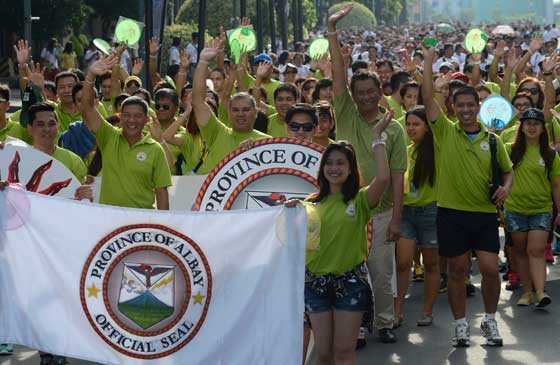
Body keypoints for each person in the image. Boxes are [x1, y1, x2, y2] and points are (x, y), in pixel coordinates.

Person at [423, 44, 513, 348]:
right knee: (458, 271)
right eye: (459, 105)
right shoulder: (445, 132)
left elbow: (507, 170)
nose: (465, 110)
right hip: (451, 213)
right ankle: (461, 325)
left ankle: (489, 321)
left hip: (484, 214)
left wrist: (506, 187)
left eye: (470, 105)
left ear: (479, 107)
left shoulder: (492, 139)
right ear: (452, 107)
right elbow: (427, 100)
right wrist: (427, 65)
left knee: (489, 269)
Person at [328, 4, 407, 344]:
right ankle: (358, 324)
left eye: (370, 92)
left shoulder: (396, 129)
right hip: (346, 207)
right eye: (359, 93)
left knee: (380, 270)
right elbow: (336, 75)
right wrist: (332, 32)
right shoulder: (344, 113)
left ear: (381, 91)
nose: (365, 97)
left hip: (381, 210)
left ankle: (386, 323)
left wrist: (396, 219)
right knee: (352, 271)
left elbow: (399, 176)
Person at [284, 111, 391, 363]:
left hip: (350, 283)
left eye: (341, 163)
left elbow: (384, 178)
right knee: (322, 353)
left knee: (344, 352)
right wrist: (290, 210)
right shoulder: (308, 203)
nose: (334, 168)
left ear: (351, 169)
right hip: (315, 285)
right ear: (322, 169)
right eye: (330, 163)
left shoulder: (361, 200)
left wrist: (377, 138)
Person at [80, 53, 172, 210]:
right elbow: (87, 108)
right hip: (110, 220)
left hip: (141, 223)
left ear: (146, 119)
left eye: (137, 116)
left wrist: (161, 228)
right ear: (120, 118)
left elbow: (161, 192)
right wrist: (91, 76)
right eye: (127, 115)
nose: (132, 120)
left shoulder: (155, 149)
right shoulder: (108, 136)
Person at [504, 108, 560, 308]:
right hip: (514, 209)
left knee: (535, 250)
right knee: (520, 251)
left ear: (543, 129)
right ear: (521, 126)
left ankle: (540, 292)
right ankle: (526, 292)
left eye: (536, 123)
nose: (532, 127)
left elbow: (556, 185)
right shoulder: (509, 150)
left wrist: (559, 211)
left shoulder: (550, 154)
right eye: (528, 123)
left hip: (542, 209)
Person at [190, 37, 270, 174]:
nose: (240, 114)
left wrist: (256, 150)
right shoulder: (216, 133)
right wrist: (203, 62)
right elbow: (197, 101)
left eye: (246, 110)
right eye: (235, 110)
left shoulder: (267, 143)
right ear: (228, 112)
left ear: (256, 112)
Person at [394, 106, 439, 328]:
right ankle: (397, 309)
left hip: (432, 212)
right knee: (402, 263)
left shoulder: (439, 151)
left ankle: (427, 311)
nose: (411, 128)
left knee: (431, 264)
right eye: (408, 124)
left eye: (416, 124)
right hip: (405, 214)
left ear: (427, 128)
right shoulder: (404, 150)